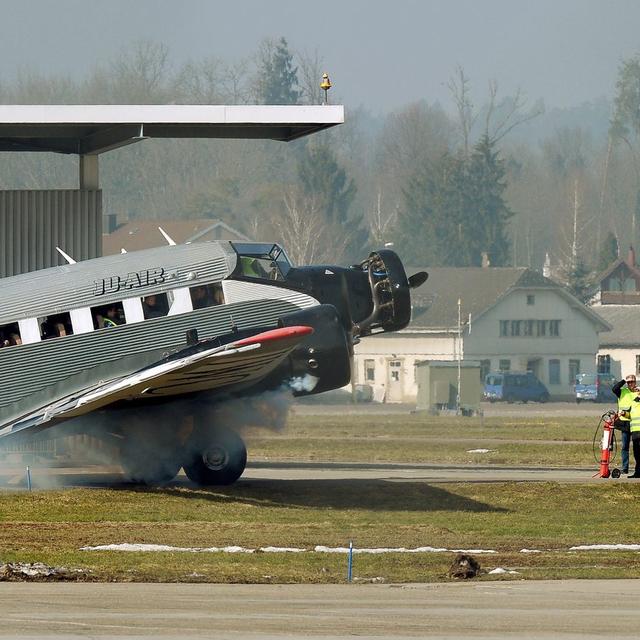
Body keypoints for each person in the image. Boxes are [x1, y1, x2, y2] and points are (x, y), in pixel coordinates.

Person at [613, 374, 639, 474]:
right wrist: (624, 380)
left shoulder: (638, 392)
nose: (630, 384)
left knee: (637, 448)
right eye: (628, 382)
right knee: (625, 447)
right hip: (624, 422)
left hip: (635, 423)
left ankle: (638, 469)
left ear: (635, 382)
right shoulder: (622, 391)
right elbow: (614, 388)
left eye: (632, 381)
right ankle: (625, 468)